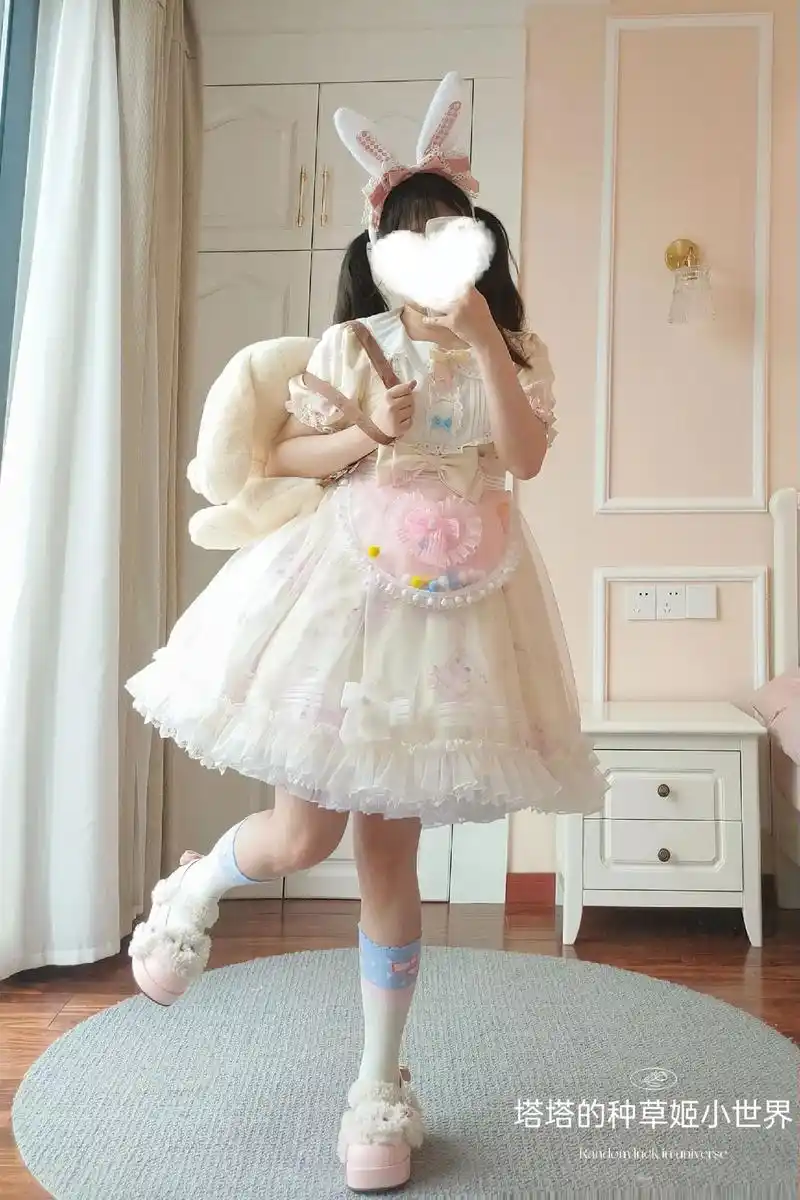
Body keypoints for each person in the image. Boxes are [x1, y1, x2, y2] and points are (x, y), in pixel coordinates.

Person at [125, 72, 607, 1193]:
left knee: (390, 854)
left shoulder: (516, 348)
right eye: (410, 241)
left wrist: (483, 340)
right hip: (344, 606)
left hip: (458, 618)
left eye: (450, 239)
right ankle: (192, 890)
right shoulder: (352, 346)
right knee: (303, 839)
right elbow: (285, 455)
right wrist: (365, 435)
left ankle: (378, 1085)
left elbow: (525, 458)